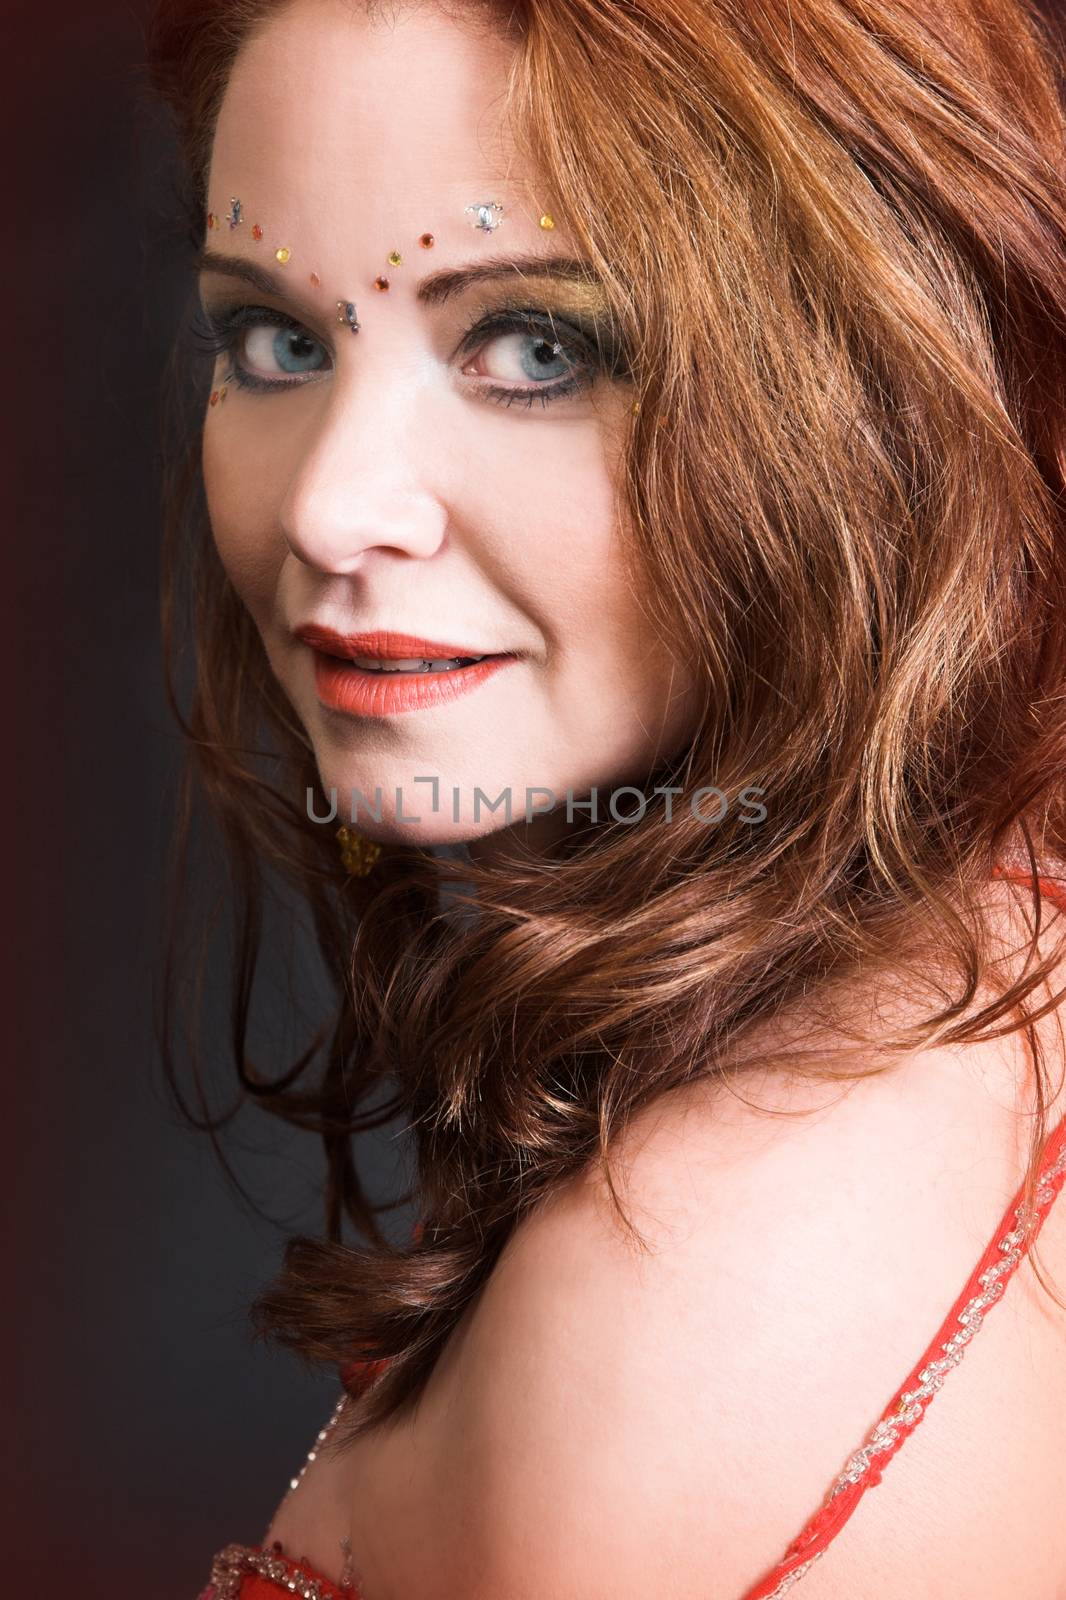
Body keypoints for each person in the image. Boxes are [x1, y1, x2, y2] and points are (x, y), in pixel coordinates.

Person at [145, 0, 1066, 1595]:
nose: (330, 505)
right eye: (274, 339)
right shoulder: (983, 966)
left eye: (535, 344)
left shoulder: (674, 1318)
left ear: (872, 386)